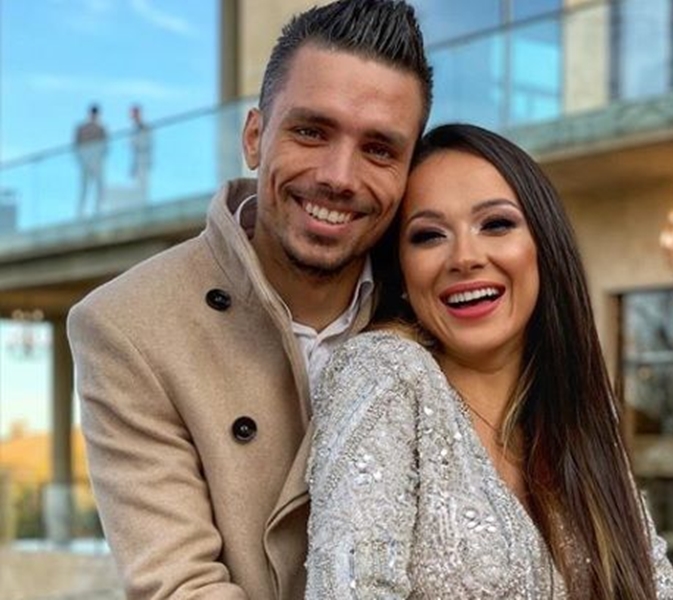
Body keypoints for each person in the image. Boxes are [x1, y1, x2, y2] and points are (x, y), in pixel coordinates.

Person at [67, 1, 432, 598]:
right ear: (255, 137)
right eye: (311, 131)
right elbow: (182, 585)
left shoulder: (435, 307)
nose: (339, 176)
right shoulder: (126, 325)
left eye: (379, 149)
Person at [305, 123, 673, 599]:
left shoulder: (578, 412)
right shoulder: (384, 373)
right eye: (429, 235)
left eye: (496, 225)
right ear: (401, 273)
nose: (465, 257)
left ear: (544, 247)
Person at [74, 103, 108, 216]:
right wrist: (82, 157)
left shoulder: (101, 129)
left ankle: (98, 209)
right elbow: (77, 144)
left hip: (96, 159)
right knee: (85, 186)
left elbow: (105, 146)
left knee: (98, 185)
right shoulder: (82, 128)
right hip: (86, 159)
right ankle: (81, 211)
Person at [129, 104, 152, 202]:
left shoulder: (144, 127)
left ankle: (144, 201)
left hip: (143, 157)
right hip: (138, 158)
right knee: (138, 183)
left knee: (143, 183)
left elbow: (146, 143)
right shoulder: (134, 128)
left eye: (134, 113)